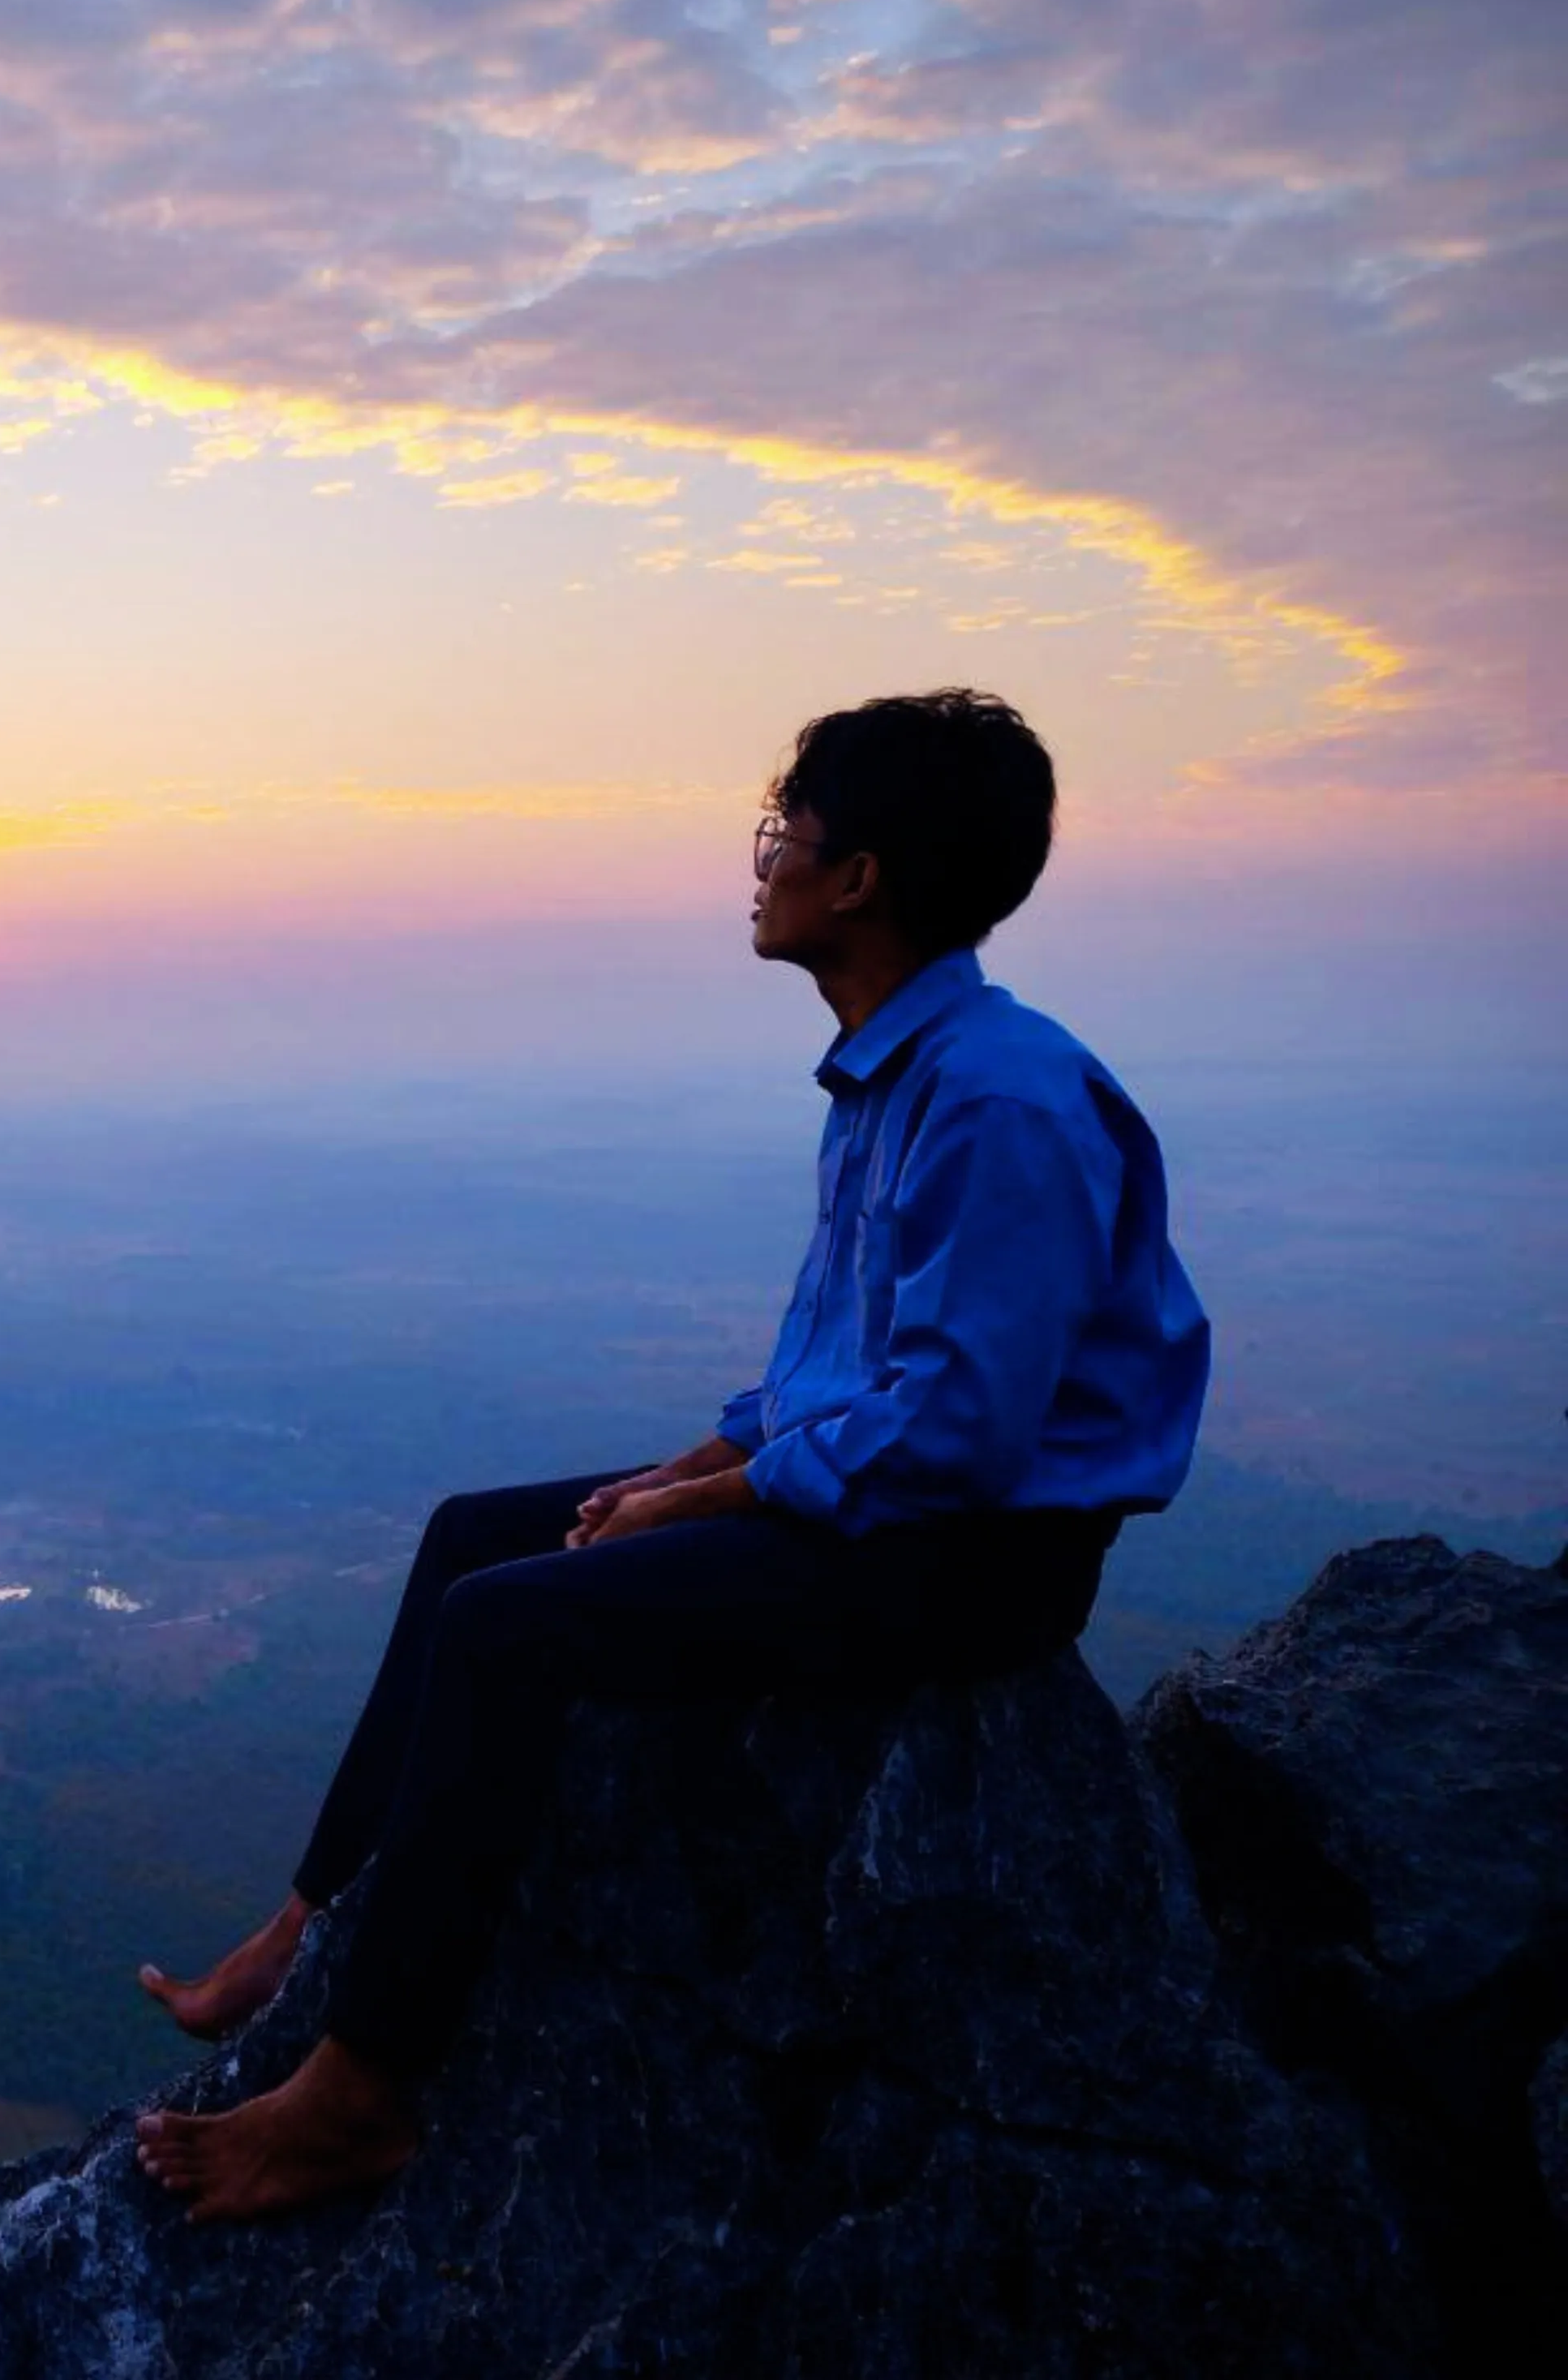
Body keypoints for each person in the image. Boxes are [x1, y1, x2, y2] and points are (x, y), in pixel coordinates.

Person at [133, 688, 1211, 2223]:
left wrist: (706, 1498)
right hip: (888, 1507)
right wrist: (686, 1472)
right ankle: (313, 1923)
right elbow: (821, 1375)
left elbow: (958, 1436)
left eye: (790, 836)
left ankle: (358, 2098)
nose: (762, 863)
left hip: (974, 1561)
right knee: (473, 1536)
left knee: (505, 1632)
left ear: (862, 882)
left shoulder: (999, 1097)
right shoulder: (898, 1072)